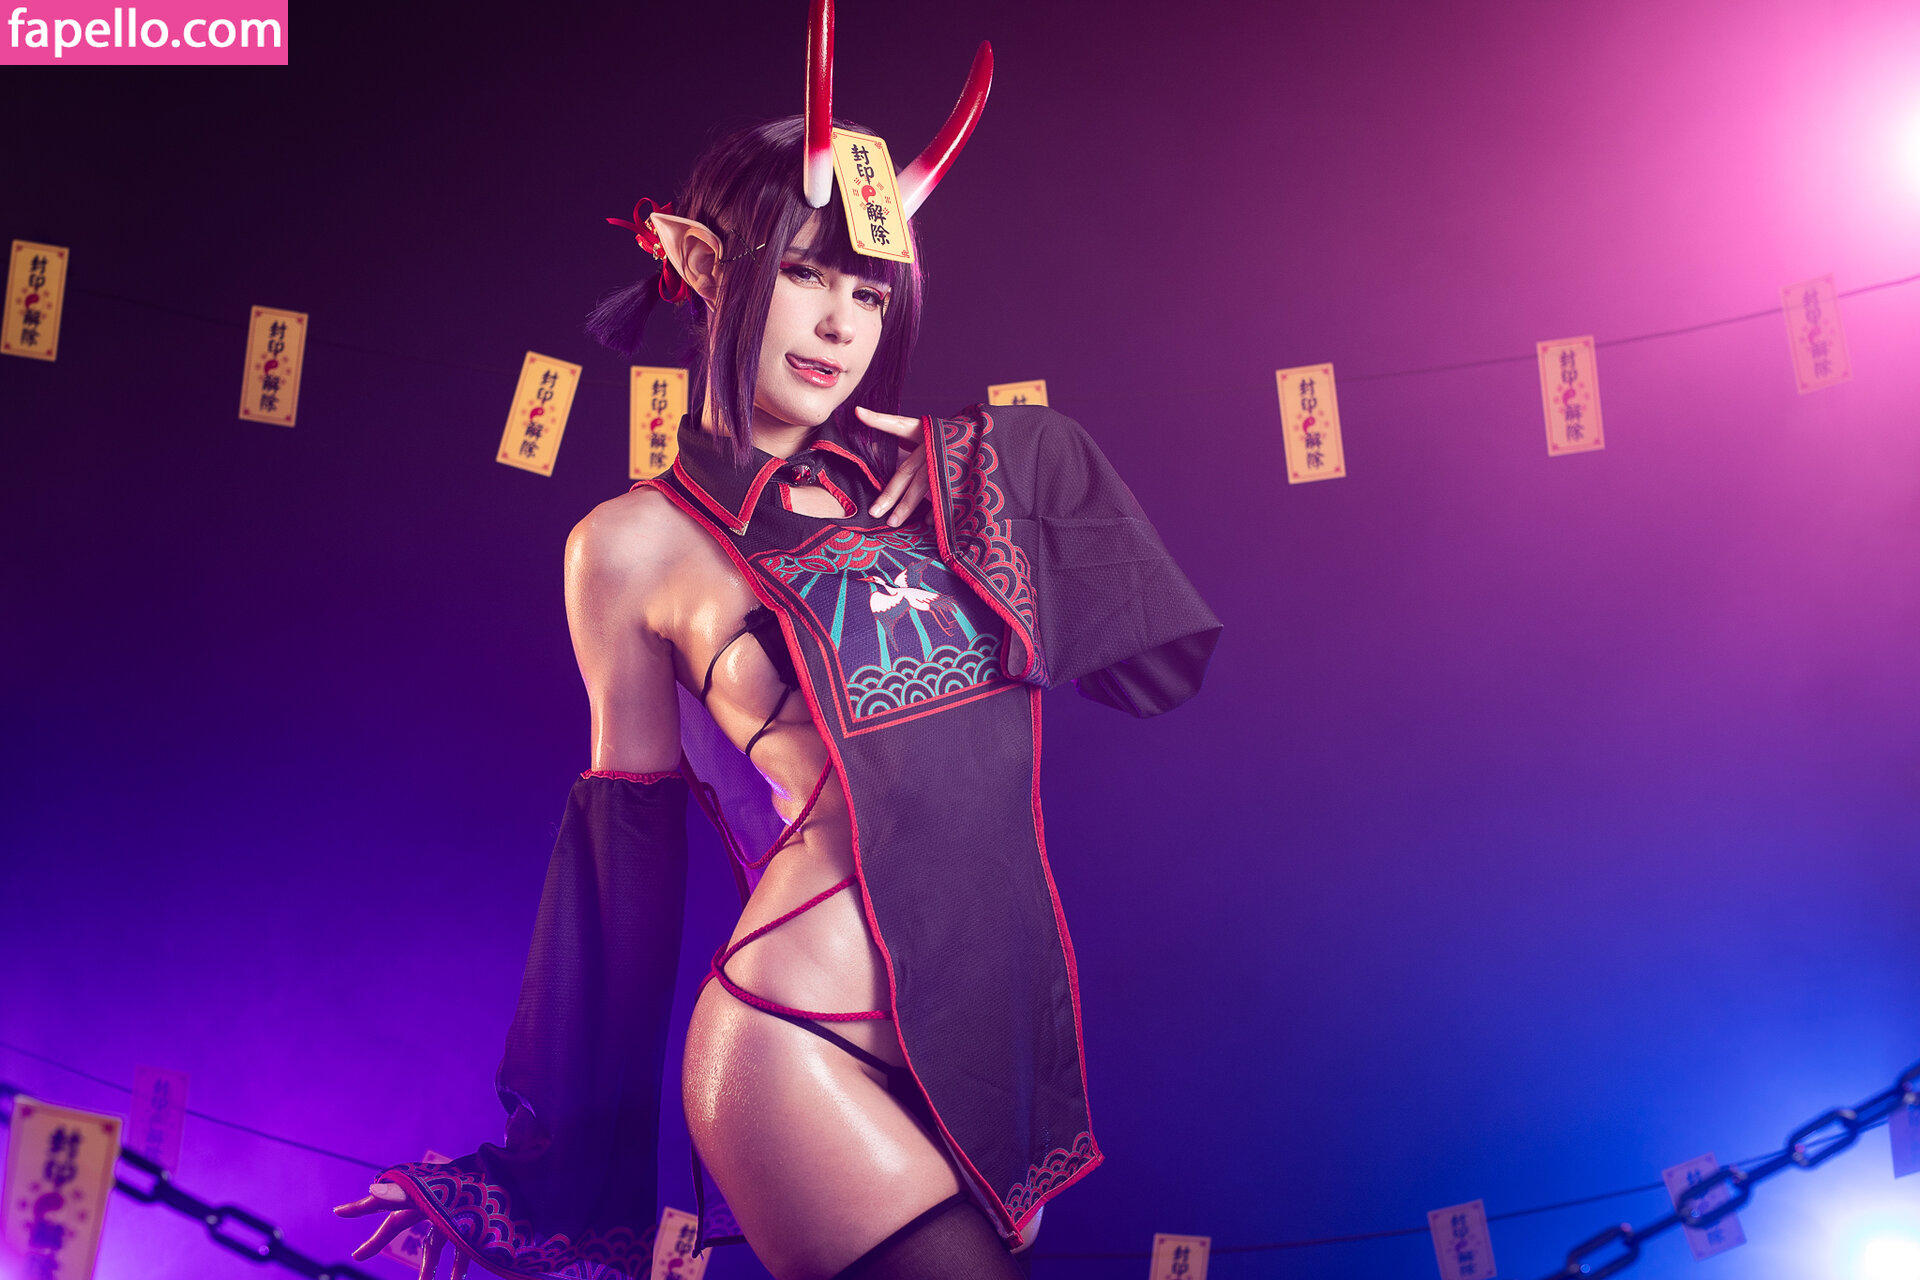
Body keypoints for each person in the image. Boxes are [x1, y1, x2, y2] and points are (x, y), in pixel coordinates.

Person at [334, 3, 1219, 1277]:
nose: (840, 324)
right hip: (798, 1036)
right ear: (703, 265)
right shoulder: (628, 546)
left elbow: (1150, 664)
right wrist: (541, 1171)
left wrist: (995, 450)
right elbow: (624, 859)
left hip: (978, 1047)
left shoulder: (949, 485)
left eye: (870, 290)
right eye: (806, 273)